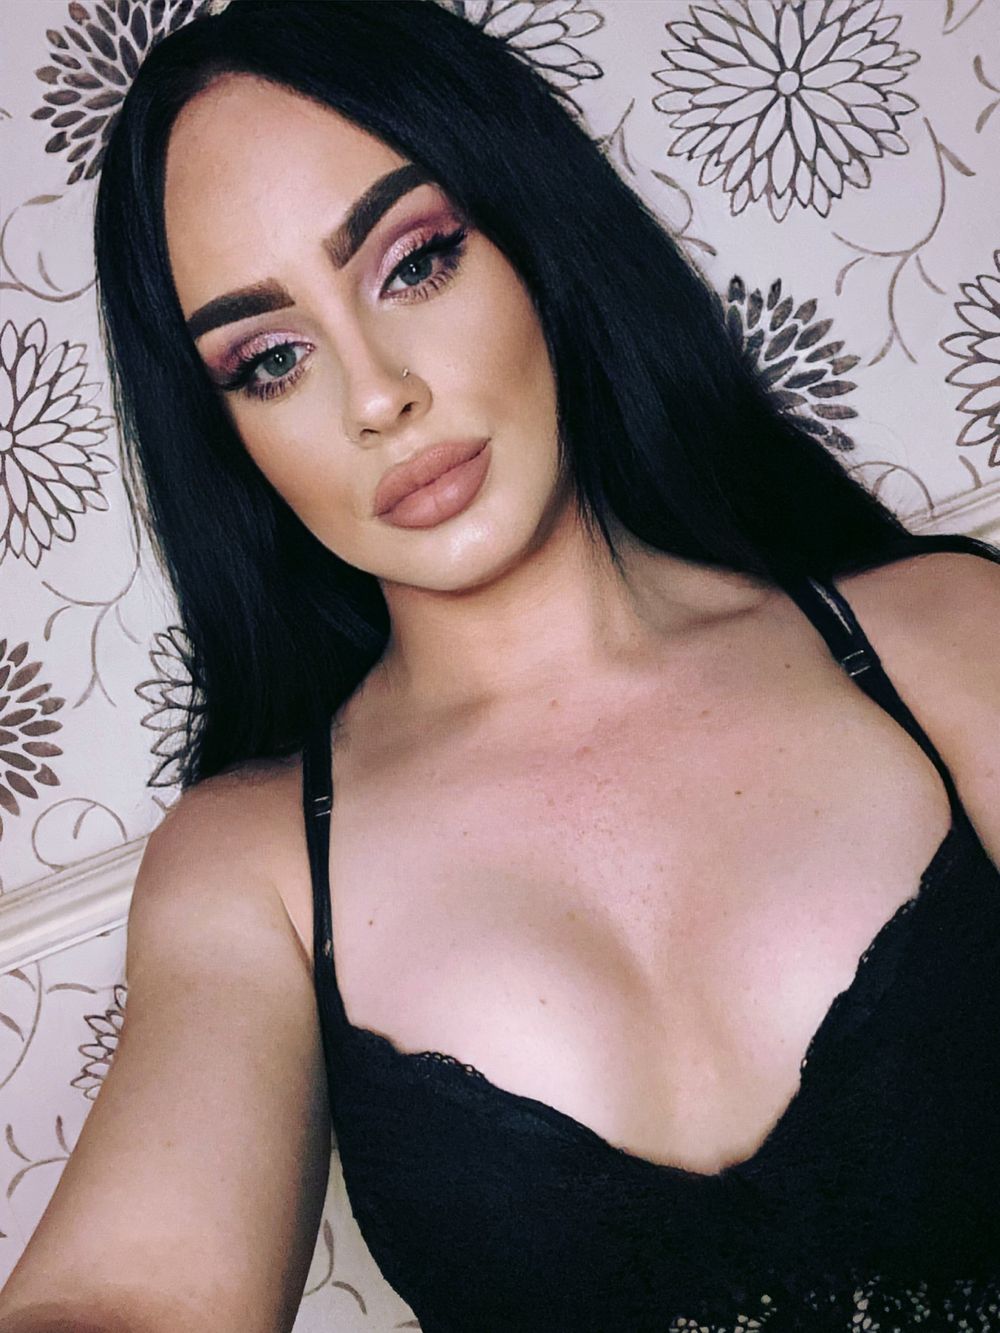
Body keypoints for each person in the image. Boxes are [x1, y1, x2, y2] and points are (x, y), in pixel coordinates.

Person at [2, 2, 998, 1330]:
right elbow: (124, 1297)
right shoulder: (253, 867)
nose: (376, 395)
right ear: (227, 433)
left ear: (534, 241)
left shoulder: (939, 640)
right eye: (272, 358)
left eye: (413, 264)